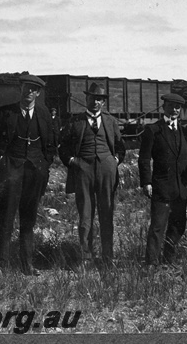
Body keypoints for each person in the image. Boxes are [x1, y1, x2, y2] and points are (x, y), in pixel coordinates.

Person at [0, 74, 58, 276]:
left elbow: (51, 143)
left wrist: (45, 163)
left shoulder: (44, 113)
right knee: (7, 219)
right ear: (21, 90)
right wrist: (1, 159)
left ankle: (27, 265)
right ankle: (0, 265)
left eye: (33, 90)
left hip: (35, 173)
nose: (29, 92)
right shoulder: (6, 112)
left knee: (28, 220)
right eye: (26, 88)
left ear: (38, 93)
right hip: (12, 172)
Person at [59, 82, 126, 268]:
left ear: (103, 103)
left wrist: (114, 161)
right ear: (86, 99)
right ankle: (85, 257)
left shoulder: (111, 121)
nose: (95, 102)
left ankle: (107, 257)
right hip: (84, 170)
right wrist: (73, 161)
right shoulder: (75, 122)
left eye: (99, 99)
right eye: (92, 98)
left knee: (107, 213)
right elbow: (62, 147)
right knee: (85, 216)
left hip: (107, 170)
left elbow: (121, 147)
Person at [138, 93, 187, 267]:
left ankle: (168, 259)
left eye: (178, 107)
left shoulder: (183, 131)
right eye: (171, 106)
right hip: (162, 187)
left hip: (181, 188)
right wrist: (146, 182)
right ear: (164, 107)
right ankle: (151, 263)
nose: (174, 110)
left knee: (178, 226)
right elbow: (144, 159)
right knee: (158, 227)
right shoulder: (153, 130)